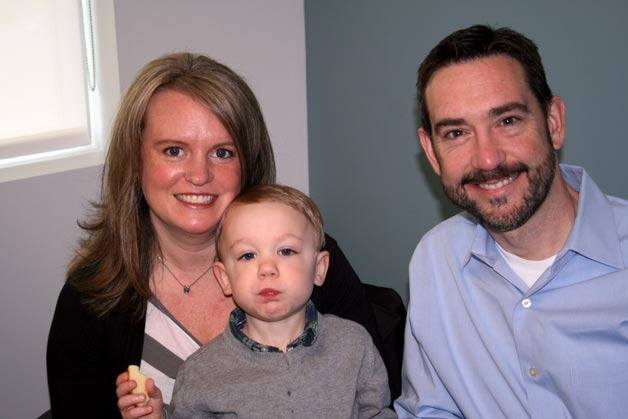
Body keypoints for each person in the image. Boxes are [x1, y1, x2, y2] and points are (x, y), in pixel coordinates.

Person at [46, 52, 386, 419]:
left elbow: (377, 394)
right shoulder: (91, 299)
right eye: (174, 151)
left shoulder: (306, 256)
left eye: (222, 153)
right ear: (136, 161)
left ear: (247, 164)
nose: (198, 174)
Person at [395, 25, 628, 419]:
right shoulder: (436, 261)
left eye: (507, 121)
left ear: (553, 122)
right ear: (431, 154)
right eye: (456, 132)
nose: (487, 159)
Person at [123, 184, 395, 418]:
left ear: (320, 268)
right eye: (248, 256)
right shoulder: (200, 372)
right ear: (224, 278)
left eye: (285, 251)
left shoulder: (354, 345)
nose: (267, 268)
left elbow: (377, 412)